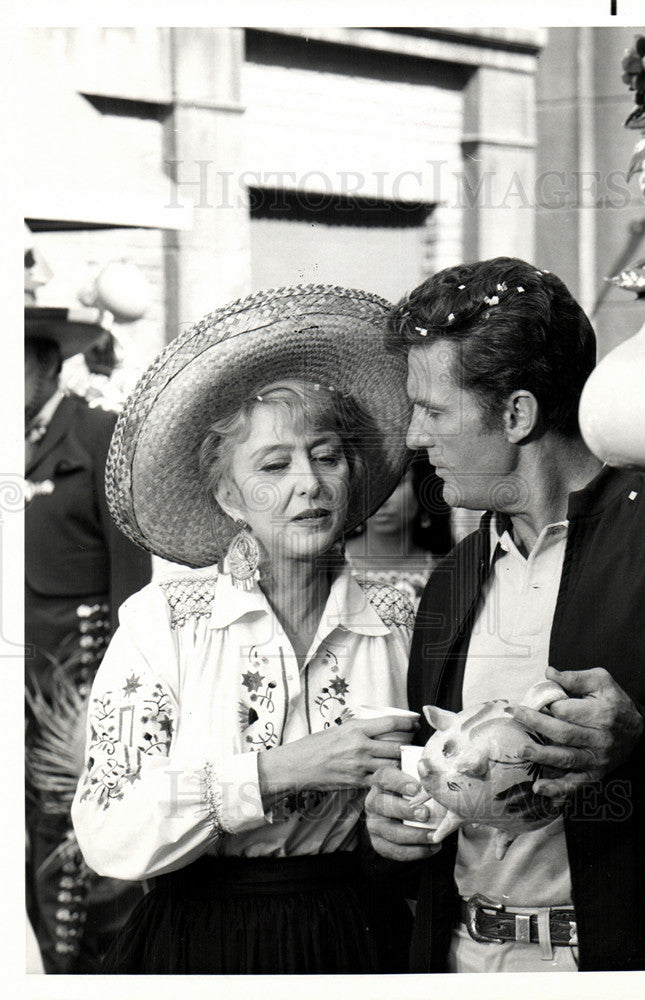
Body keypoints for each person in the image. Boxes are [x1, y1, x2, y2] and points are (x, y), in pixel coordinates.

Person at [364, 257, 645, 973]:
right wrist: (392, 819)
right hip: (458, 960)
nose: (414, 437)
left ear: (516, 414)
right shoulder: (451, 579)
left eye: (432, 409)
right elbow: (447, 777)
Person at [71, 285, 418, 974]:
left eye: (327, 455)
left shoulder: (404, 614)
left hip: (360, 939)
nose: (309, 483)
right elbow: (111, 833)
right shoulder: (166, 623)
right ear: (230, 498)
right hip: (202, 941)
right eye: (273, 464)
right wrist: (277, 771)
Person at [24, 304, 152, 973]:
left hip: (76, 679)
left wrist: (117, 686)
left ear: (45, 364)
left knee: (67, 829)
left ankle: (84, 972)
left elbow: (131, 573)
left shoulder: (99, 434)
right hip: (14, 678)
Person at [347, 459, 451, 608]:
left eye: (396, 484)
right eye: (372, 482)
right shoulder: (330, 564)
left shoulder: (445, 572)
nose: (382, 499)